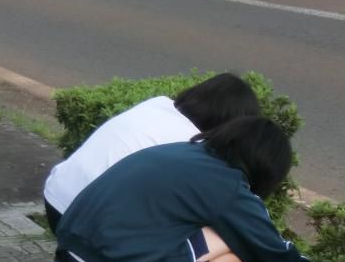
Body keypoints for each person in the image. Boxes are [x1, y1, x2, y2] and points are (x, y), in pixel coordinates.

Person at [55, 117, 344, 262]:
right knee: (235, 253)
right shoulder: (228, 186)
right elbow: (275, 254)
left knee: (184, 229)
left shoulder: (180, 152)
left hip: (71, 258)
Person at [44, 73, 261, 236]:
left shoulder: (157, 104)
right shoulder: (194, 147)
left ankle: (69, 257)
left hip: (55, 200)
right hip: (87, 224)